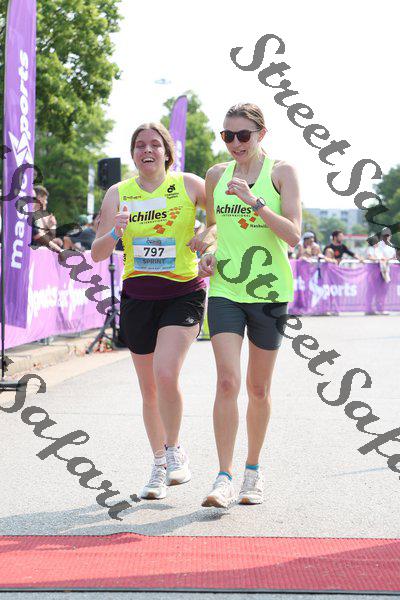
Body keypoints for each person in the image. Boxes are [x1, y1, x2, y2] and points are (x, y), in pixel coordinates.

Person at [91, 122, 208, 500]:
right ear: (133, 153)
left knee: (165, 372)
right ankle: (158, 465)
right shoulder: (118, 193)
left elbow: (221, 217)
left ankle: (174, 451)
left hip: (182, 292)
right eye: (140, 145)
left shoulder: (189, 184)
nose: (147, 150)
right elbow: (97, 252)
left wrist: (207, 237)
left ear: (167, 152)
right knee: (149, 389)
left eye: (155, 144)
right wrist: (115, 232)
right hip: (138, 296)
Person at [197, 103, 301, 508]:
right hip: (225, 289)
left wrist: (256, 202)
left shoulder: (282, 173)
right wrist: (208, 250)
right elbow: (214, 227)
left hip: (269, 292)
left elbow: (293, 235)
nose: (235, 143)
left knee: (258, 389)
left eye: (243, 135)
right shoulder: (216, 175)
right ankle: (223, 476)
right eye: (228, 135)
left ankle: (252, 471)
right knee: (227, 382)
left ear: (261, 134)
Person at [365, 228, 396, 314]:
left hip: (385, 271)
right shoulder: (377, 245)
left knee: (383, 291)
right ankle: (369, 309)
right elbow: (372, 256)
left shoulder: (391, 246)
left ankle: (380, 308)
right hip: (375, 271)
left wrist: (386, 259)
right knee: (372, 290)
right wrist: (381, 259)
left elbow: (392, 257)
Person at [31, 185, 63, 251]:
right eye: (45, 199)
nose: (46, 202)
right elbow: (38, 236)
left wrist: (49, 228)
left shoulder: (40, 217)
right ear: (39, 198)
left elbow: (46, 239)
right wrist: (58, 249)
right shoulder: (29, 215)